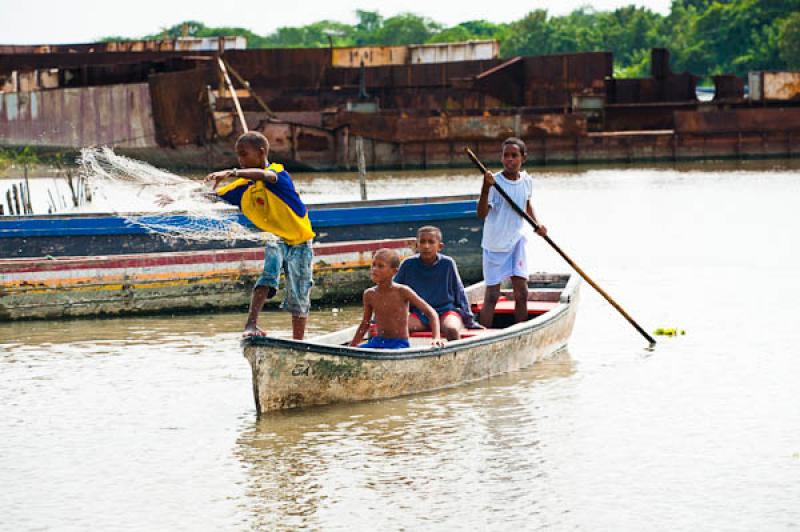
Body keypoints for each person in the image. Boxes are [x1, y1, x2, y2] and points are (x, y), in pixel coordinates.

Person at [206, 131, 315, 339]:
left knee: (300, 292)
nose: (241, 160)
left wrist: (232, 172)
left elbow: (265, 176)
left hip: (300, 241)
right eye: (238, 155)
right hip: (276, 238)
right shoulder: (244, 186)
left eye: (244, 154)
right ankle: (251, 325)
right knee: (269, 272)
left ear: (261, 152)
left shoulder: (278, 174)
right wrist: (177, 197)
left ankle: (298, 341)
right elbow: (214, 196)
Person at [477, 137, 547, 327]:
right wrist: (485, 188)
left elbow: (526, 203)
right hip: (495, 245)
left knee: (522, 293)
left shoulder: (526, 180)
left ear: (523, 158)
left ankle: (521, 331)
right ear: (501, 159)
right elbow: (481, 214)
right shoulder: (494, 183)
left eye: (514, 156)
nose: (509, 160)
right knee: (491, 296)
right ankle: (485, 334)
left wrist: (537, 224)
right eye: (506, 156)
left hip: (516, 242)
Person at [393, 225, 480, 341]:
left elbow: (460, 292)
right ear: (416, 245)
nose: (426, 246)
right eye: (422, 242)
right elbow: (392, 291)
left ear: (440, 246)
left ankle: (456, 357)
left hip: (445, 312)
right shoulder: (408, 264)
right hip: (420, 314)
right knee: (394, 328)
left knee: (452, 330)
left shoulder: (448, 264)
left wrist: (469, 320)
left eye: (431, 242)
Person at [350, 248, 444, 349]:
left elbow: (431, 313)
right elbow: (365, 323)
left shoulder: (402, 291)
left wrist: (436, 338)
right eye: (373, 265)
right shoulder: (369, 294)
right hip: (378, 341)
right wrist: (352, 346)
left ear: (394, 271)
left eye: (380, 266)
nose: (374, 269)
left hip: (399, 343)